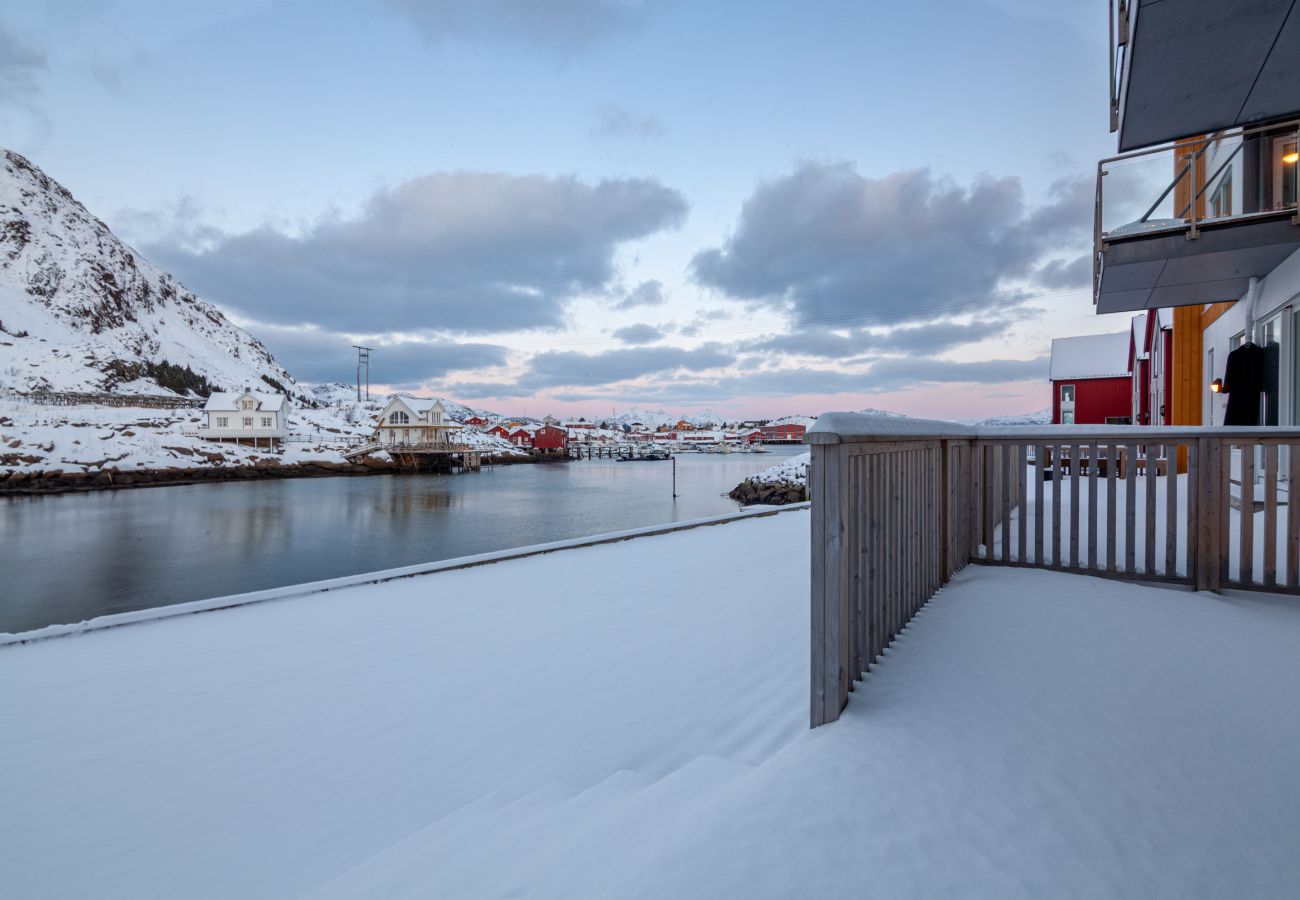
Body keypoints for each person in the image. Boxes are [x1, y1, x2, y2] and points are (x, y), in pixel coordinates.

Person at [1221, 340, 1265, 426]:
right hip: (1249, 397)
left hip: (1241, 397)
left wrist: (1225, 388)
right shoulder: (1234, 356)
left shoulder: (1235, 355)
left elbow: (1227, 382)